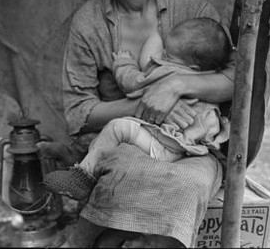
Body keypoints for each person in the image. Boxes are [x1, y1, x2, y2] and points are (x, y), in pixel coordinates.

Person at [43, 0, 236, 246]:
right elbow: (78, 113)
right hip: (126, 142)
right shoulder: (90, 21)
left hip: (192, 146)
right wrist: (144, 105)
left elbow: (236, 80)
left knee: (188, 186)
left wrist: (175, 85)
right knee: (127, 175)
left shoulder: (189, 4)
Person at [45, 18, 232, 201]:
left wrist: (123, 63)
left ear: (192, 66)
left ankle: (82, 177)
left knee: (117, 128)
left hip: (166, 147)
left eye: (167, 55)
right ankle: (78, 159)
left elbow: (133, 82)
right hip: (189, 147)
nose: (161, 56)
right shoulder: (208, 78)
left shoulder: (169, 72)